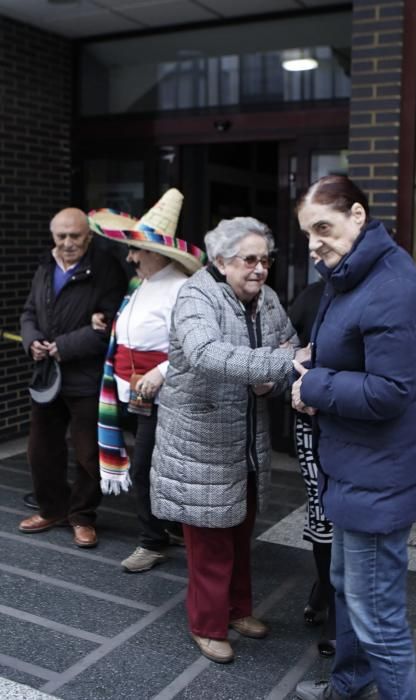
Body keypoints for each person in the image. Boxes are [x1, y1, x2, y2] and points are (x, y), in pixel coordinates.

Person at [291, 175, 416, 700]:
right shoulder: (353, 273)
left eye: (323, 227)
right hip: (358, 470)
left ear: (357, 215)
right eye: (308, 233)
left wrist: (315, 384)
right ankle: (350, 685)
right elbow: (358, 352)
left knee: (380, 619)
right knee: (347, 589)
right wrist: (317, 361)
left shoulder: (390, 285)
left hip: (381, 478)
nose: (314, 243)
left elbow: (389, 391)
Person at [149, 216, 310, 664]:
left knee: (240, 530)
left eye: (265, 260)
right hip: (199, 441)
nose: (260, 269)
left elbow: (289, 348)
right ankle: (207, 624)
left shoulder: (269, 298)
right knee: (210, 541)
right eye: (249, 260)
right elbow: (205, 354)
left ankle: (237, 610)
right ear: (221, 261)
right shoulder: (196, 295)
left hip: (245, 440)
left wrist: (273, 376)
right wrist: (275, 367)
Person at [87, 188, 205, 572]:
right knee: (150, 466)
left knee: (144, 469)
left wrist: (161, 372)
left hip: (166, 393)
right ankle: (167, 527)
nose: (130, 256)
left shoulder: (181, 288)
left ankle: (153, 540)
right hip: (132, 391)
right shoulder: (142, 285)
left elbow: (195, 344)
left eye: (136, 250)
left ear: (157, 252)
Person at [19, 207, 127, 547]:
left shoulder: (107, 269)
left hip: (86, 378)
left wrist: (60, 346)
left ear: (89, 235)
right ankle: (52, 509)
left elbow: (112, 326)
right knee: (41, 450)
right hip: (47, 378)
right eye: (61, 236)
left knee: (87, 454)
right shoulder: (45, 265)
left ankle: (82, 516)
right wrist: (31, 340)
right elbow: (28, 312)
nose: (67, 243)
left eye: (74, 236)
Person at [289, 279, 336, 658]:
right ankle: (325, 585)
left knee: (348, 519)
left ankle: (338, 609)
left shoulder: (381, 295)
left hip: (355, 423)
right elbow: (286, 350)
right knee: (321, 514)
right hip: (311, 424)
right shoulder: (310, 295)